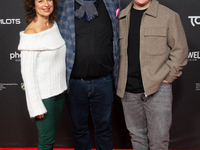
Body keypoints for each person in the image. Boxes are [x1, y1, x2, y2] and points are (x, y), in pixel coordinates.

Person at [117, 0, 188, 149]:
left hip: (157, 89)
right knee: (136, 137)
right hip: (128, 91)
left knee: (159, 141)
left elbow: (180, 50)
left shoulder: (169, 16)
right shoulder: (121, 16)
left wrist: (167, 78)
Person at [57, 0, 120, 149]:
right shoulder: (63, 5)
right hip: (75, 82)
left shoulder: (111, 3)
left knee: (104, 129)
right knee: (79, 130)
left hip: (104, 81)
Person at [18, 0, 67, 149]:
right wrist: (36, 106)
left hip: (59, 93)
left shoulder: (53, 25)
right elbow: (27, 74)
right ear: (33, 5)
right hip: (44, 98)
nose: (46, 4)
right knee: (46, 142)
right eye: (40, 0)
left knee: (51, 138)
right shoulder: (31, 33)